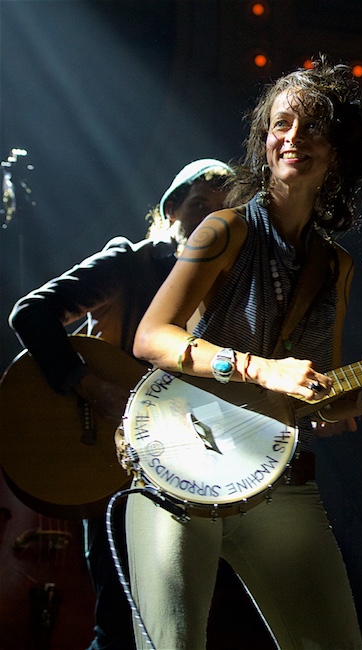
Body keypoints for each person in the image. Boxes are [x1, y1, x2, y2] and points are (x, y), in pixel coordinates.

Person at [126, 55, 362, 649]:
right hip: (180, 461)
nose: (294, 138)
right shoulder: (223, 230)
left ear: (336, 153)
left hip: (272, 474)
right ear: (263, 141)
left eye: (312, 128)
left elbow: (316, 399)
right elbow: (151, 337)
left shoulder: (337, 265)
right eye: (282, 124)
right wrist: (258, 367)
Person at [7, 158, 234, 649]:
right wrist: (92, 386)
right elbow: (31, 314)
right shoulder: (129, 264)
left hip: (183, 465)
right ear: (171, 210)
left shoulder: (227, 292)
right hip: (111, 459)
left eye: (221, 211)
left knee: (177, 624)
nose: (208, 220)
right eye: (199, 206)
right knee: (120, 622)